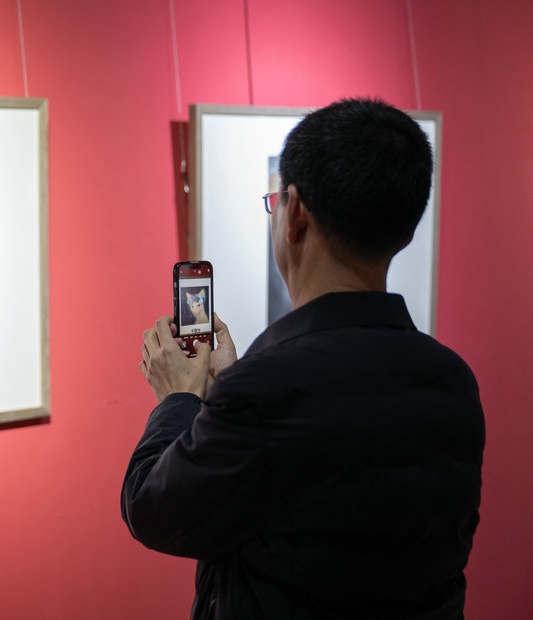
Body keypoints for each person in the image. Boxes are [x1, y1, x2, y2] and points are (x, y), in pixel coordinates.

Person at [121, 98, 484, 619]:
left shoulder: (266, 392)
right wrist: (233, 388)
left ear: (294, 213)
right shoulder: (453, 381)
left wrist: (178, 398)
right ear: (406, 232)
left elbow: (151, 509)